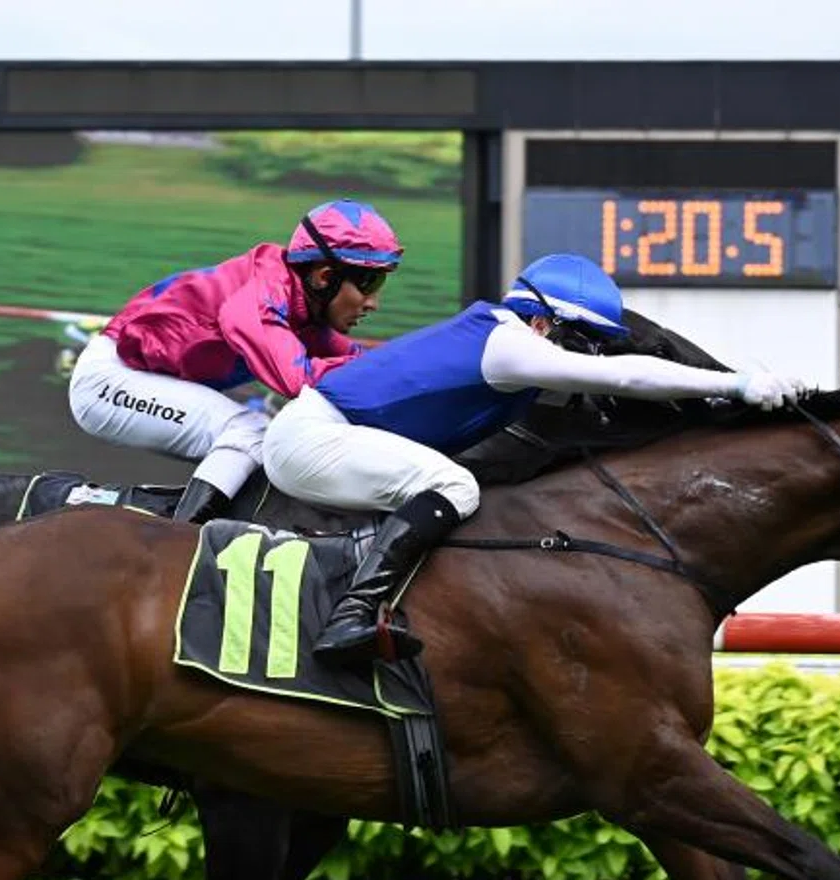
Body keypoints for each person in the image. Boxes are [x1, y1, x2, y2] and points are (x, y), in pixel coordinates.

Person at [262, 253, 808, 667]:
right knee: (456, 487)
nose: (587, 356)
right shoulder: (509, 343)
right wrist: (738, 385)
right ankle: (351, 616)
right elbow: (627, 375)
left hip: (324, 437)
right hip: (312, 439)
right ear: (544, 323)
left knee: (450, 489)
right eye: (583, 341)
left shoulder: (507, 341)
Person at [70, 199, 403, 524]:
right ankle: (177, 539)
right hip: (108, 383)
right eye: (367, 283)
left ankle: (145, 512)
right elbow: (297, 381)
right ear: (324, 276)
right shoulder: (259, 300)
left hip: (149, 377)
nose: (373, 303)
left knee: (261, 453)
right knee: (251, 434)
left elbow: (360, 367)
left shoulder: (303, 304)